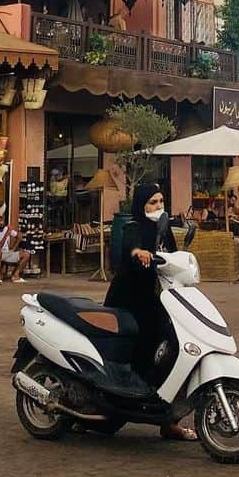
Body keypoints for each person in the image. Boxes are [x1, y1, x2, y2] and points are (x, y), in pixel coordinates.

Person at [105, 183, 195, 440]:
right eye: (152, 203)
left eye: (160, 202)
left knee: (175, 348)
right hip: (130, 302)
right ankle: (122, 405)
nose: (157, 207)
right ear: (141, 205)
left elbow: (175, 258)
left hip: (160, 300)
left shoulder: (164, 230)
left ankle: (169, 420)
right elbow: (129, 248)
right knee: (138, 350)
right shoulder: (134, 227)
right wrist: (138, 252)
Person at [0, 218, 29, 284]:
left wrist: (13, 248)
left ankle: (15, 276)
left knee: (26, 254)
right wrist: (6, 234)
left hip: (7, 253)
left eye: (1, 221)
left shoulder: (6, 229)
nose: (1, 223)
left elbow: (19, 236)